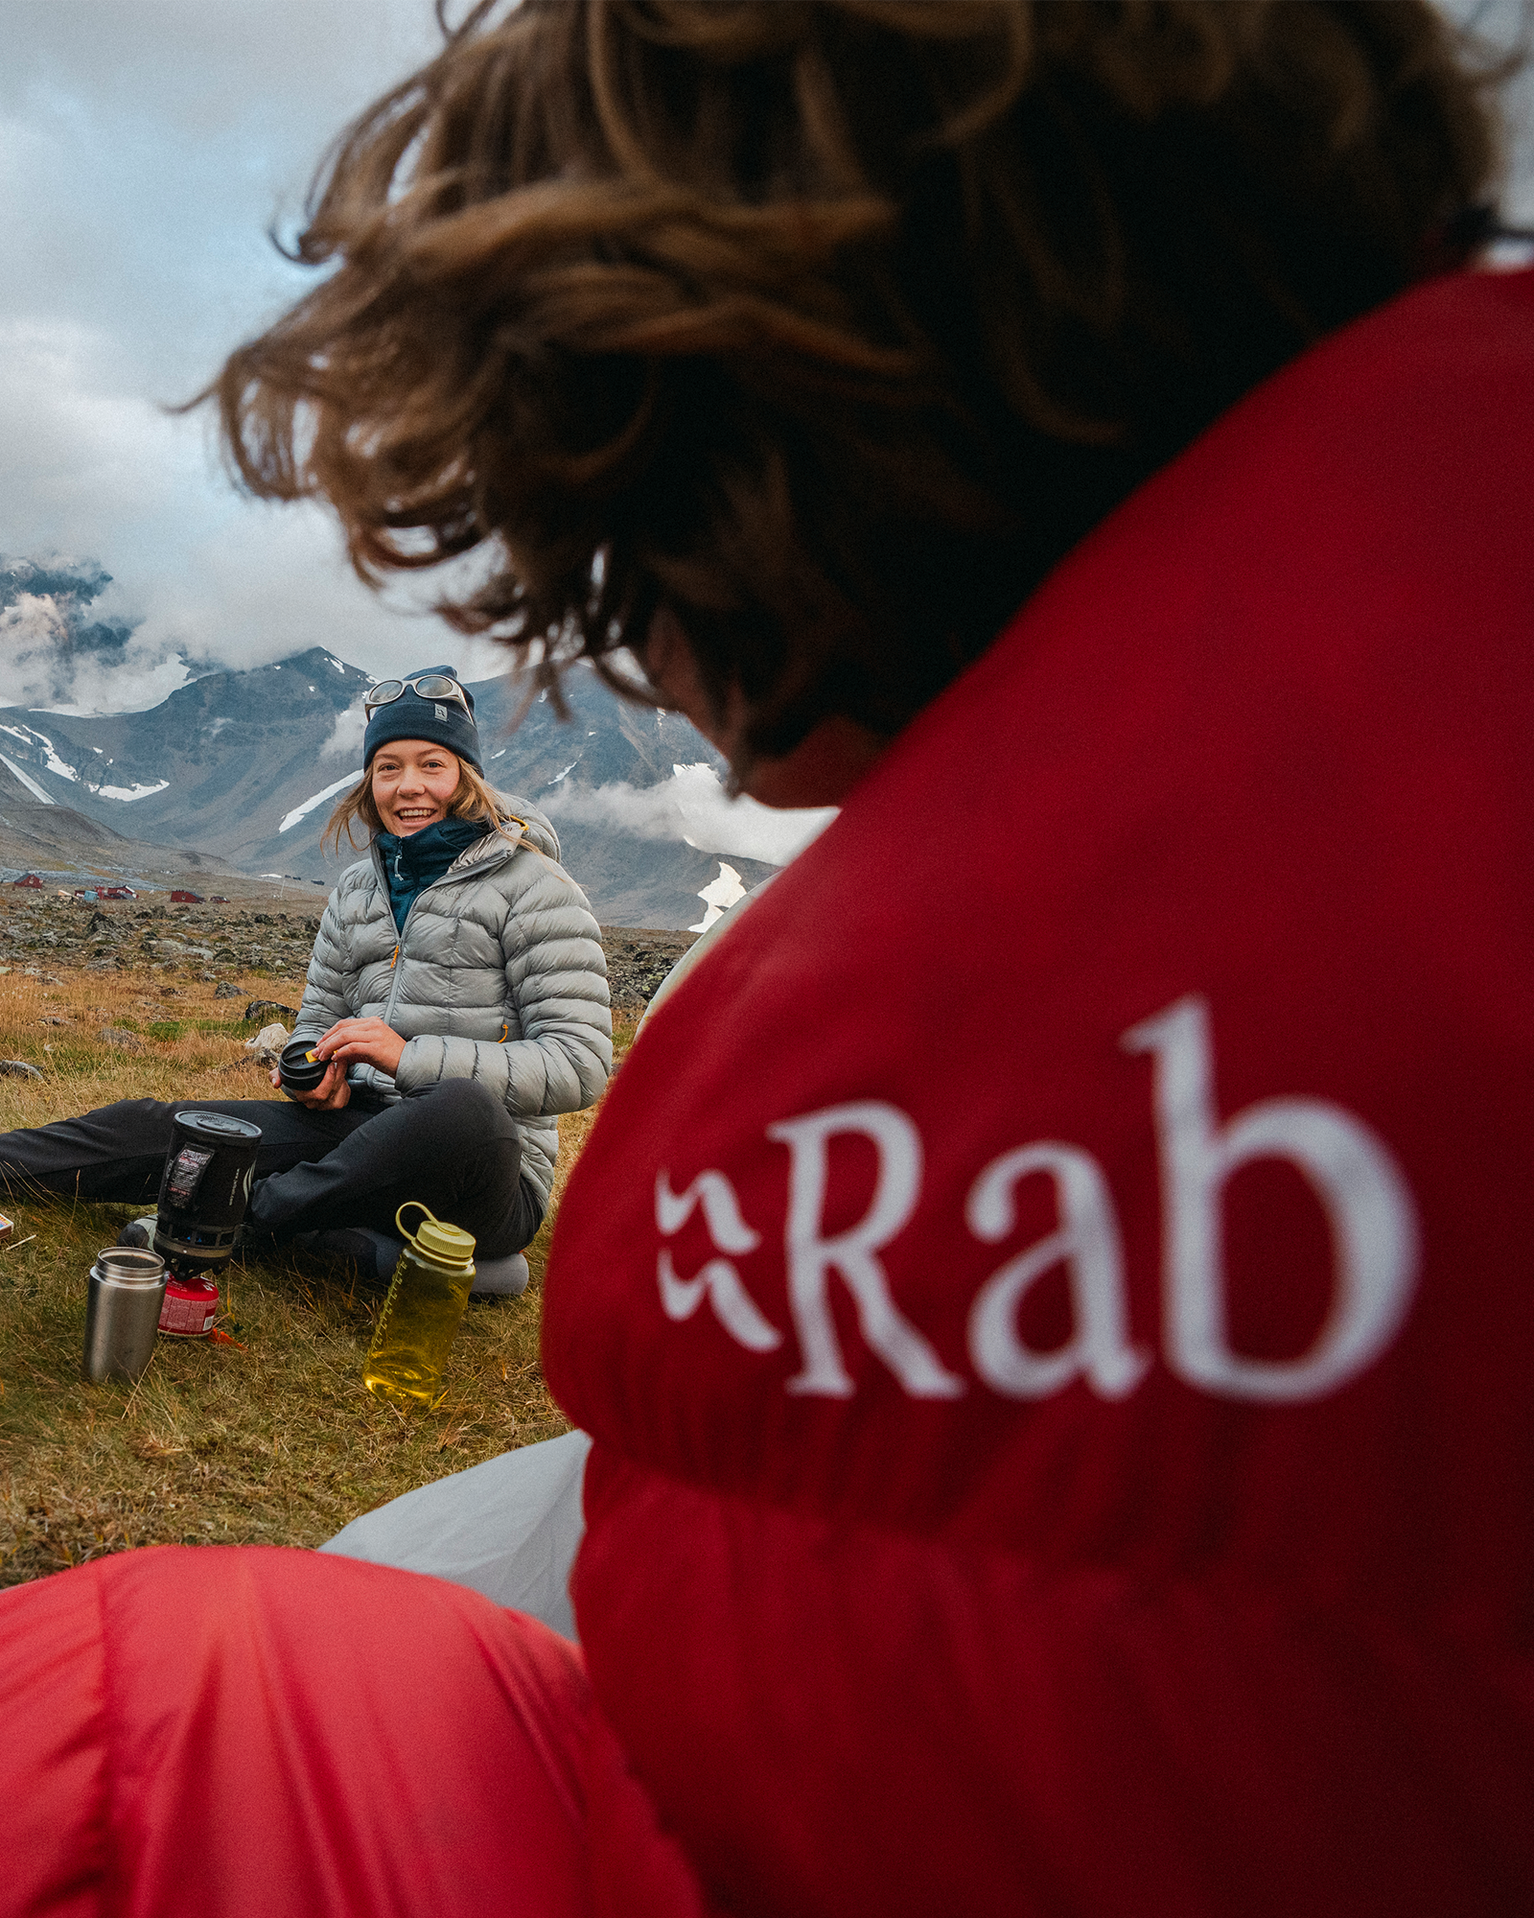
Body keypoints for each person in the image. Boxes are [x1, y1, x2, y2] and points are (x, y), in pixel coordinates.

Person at [4, 3, 1533, 1916]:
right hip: (425, 1226)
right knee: (213, 1123)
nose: (626, 654)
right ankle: (172, 1178)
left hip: (467, 1160)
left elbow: (572, 1062)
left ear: (715, 463)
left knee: (182, 1620)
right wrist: (319, 1040)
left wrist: (421, 1054)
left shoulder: (558, 892)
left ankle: (273, 1205)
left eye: (598, 569)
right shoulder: (388, 893)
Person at [0, 668, 612, 1290]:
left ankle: (224, 1226)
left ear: (466, 776)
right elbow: (318, 1019)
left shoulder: (537, 889)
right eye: (388, 768)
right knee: (173, 1128)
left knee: (462, 1110)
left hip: (484, 1171)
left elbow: (581, 1063)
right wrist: (308, 1065)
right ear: (369, 781)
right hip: (357, 1131)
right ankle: (12, 1163)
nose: (409, 787)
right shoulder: (356, 891)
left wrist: (410, 1058)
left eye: (432, 765)